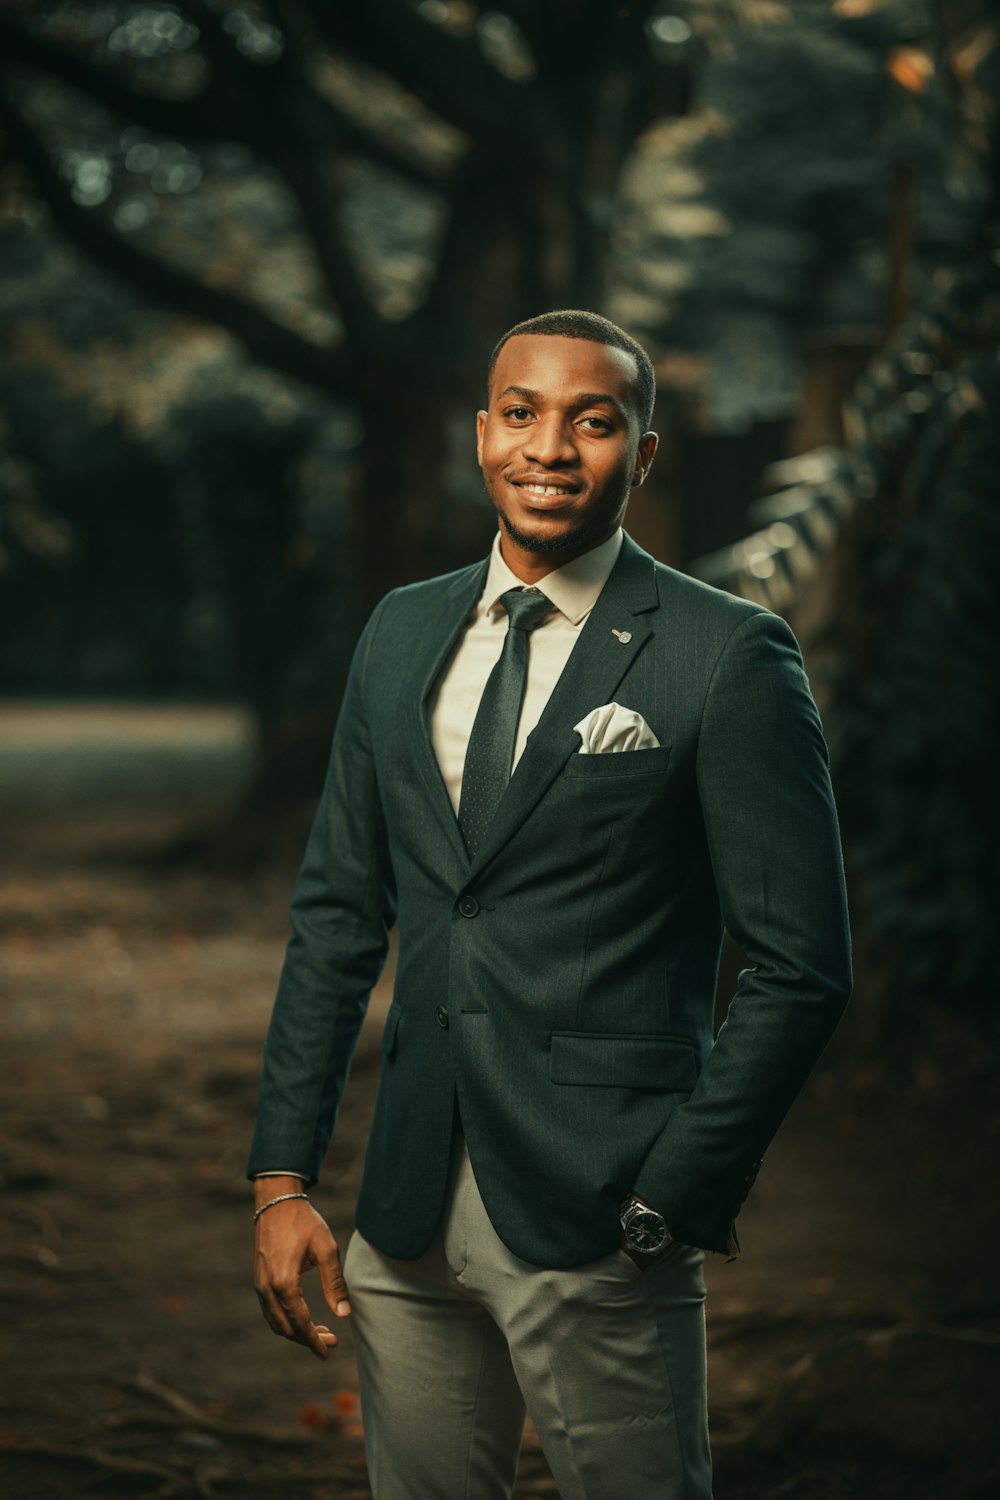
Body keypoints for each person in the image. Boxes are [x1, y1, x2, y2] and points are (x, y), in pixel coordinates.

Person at [248, 309, 852, 1500]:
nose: (551, 448)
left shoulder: (725, 653)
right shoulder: (401, 628)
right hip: (405, 1205)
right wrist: (282, 1178)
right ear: (481, 435)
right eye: (521, 413)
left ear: (643, 450)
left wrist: (672, 1196)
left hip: (601, 1209)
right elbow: (334, 916)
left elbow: (800, 964)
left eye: (594, 420)